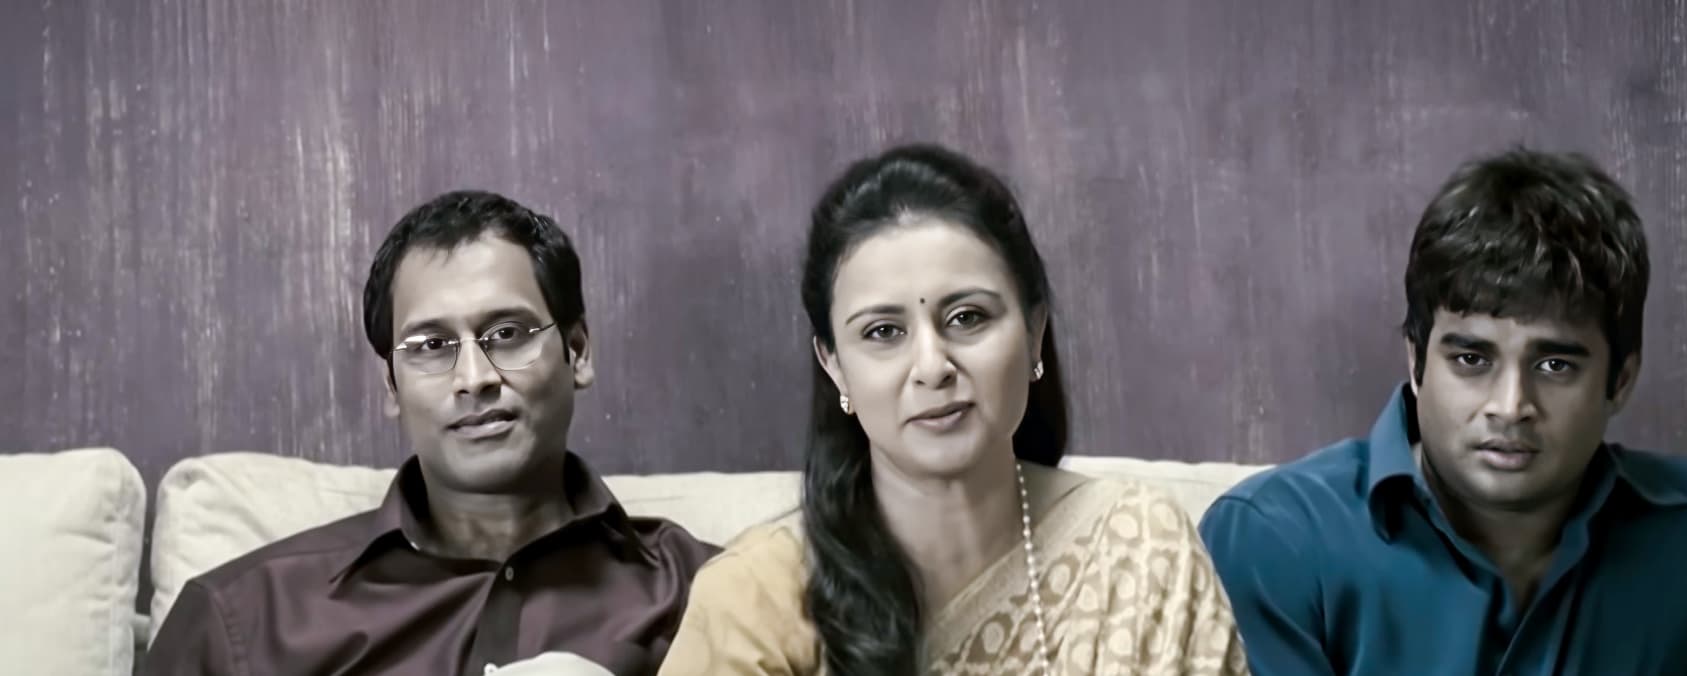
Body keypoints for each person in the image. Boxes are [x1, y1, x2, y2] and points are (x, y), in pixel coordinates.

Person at [657, 144, 1246, 675]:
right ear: (834, 365)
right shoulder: (754, 599)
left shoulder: (1134, 546)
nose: (932, 366)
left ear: (1034, 333)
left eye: (967, 318)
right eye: (884, 332)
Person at [1201, 148, 1687, 675]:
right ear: (1417, 362)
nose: (1510, 407)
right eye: (1471, 359)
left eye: (1555, 365)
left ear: (1620, 381)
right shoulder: (1272, 540)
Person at [144, 191, 720, 675]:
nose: (474, 378)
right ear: (391, 386)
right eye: (431, 346)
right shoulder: (243, 620)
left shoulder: (708, 594)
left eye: (508, 333)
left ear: (578, 351)